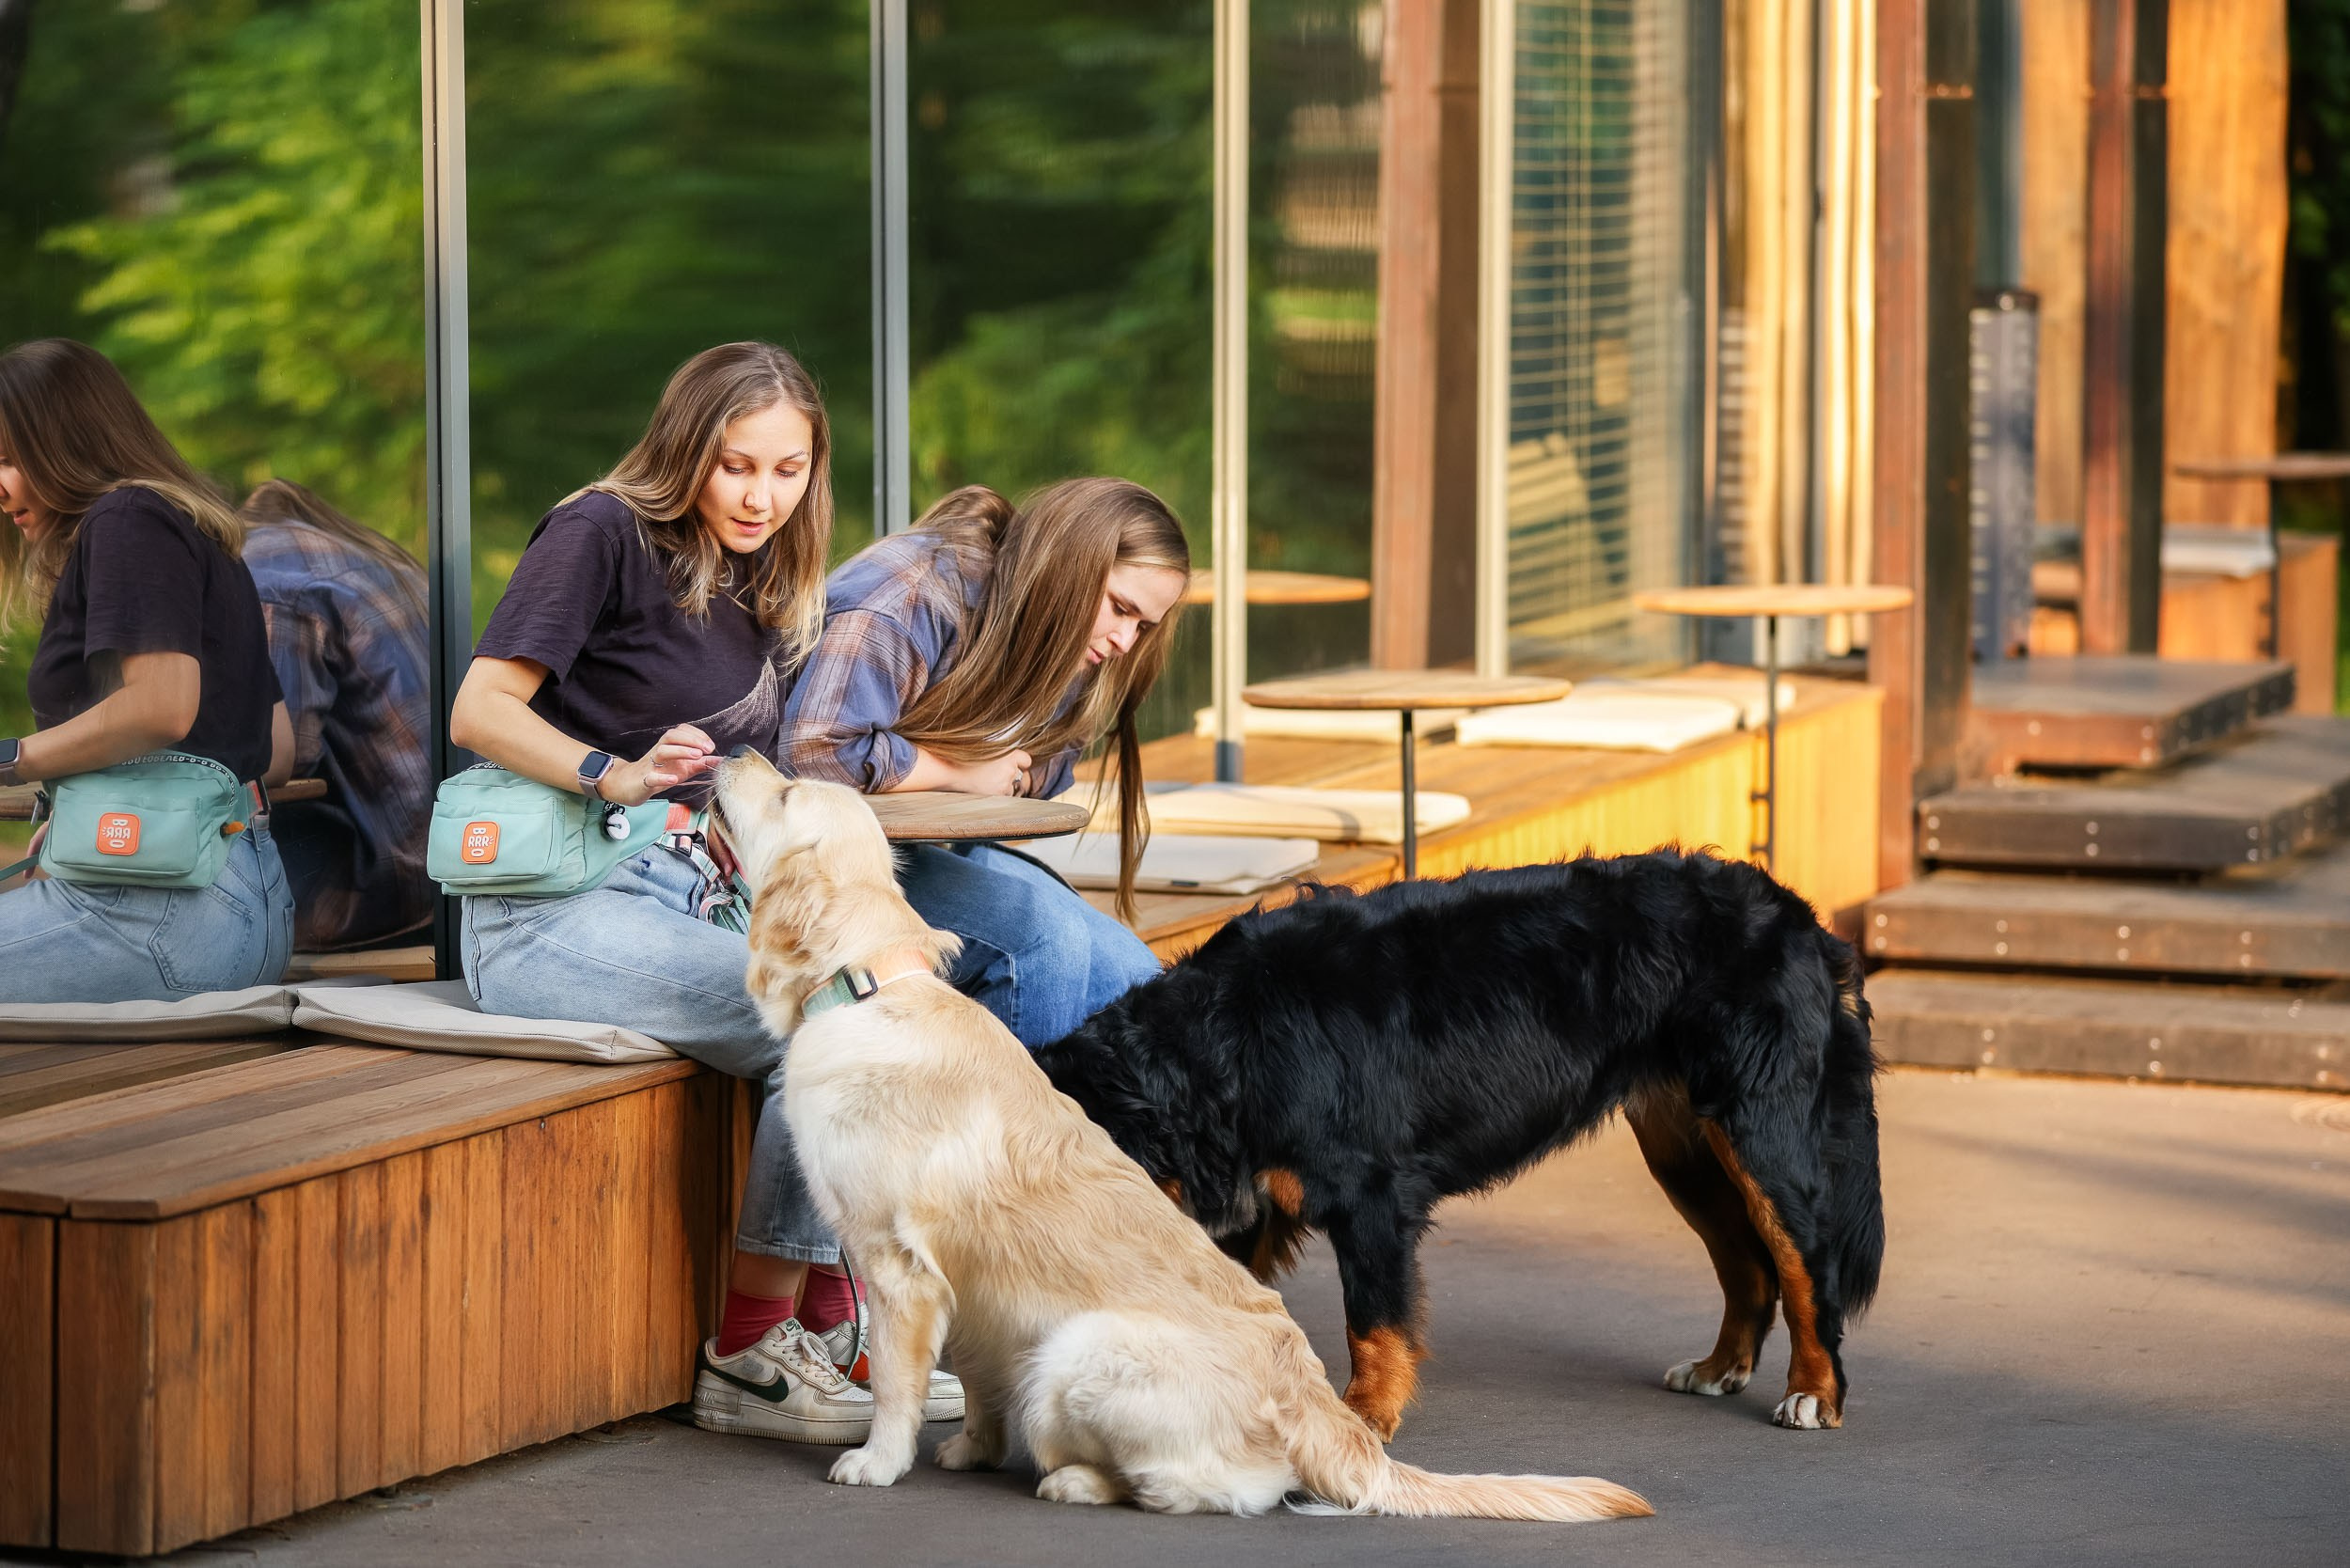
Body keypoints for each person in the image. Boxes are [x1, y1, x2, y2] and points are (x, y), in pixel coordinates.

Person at [447, 340, 932, 1450]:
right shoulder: (600, 533)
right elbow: (478, 708)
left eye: (787, 469)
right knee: (834, 1023)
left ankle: (832, 1322)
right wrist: (606, 772)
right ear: (685, 453)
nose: (762, 496)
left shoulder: (757, 569)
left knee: (886, 1001)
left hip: (683, 905)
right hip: (548, 913)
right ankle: (755, 1349)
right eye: (734, 467)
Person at [781, 478, 1189, 1045]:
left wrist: (990, 770)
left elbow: (1046, 771)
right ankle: (1009, 1133)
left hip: (914, 850)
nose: (1125, 640)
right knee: (1044, 943)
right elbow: (813, 755)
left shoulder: (1068, 640)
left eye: (1142, 625)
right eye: (1120, 608)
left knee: (1136, 978)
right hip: (800, 858)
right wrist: (958, 772)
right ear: (1069, 563)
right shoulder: (912, 592)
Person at [0, 337, 294, 1002]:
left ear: (68, 441)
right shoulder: (201, 536)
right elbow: (276, 751)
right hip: (249, 905)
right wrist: (106, 809)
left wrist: (15, 758)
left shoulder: (126, 518)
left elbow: (160, 708)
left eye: (9, 459)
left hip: (164, 913)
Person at [240, 479, 432, 951]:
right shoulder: (369, 560)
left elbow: (279, 756)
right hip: (459, 858)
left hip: (383, 880)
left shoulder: (264, 581)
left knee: (156, 870)